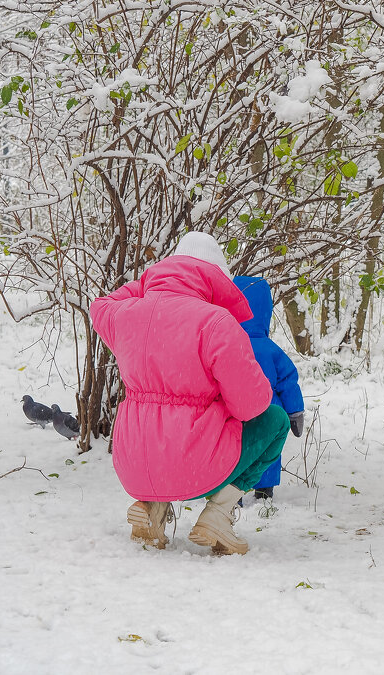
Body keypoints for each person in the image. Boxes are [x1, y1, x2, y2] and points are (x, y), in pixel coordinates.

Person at [90, 232, 289, 555]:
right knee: (274, 420)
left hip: (134, 466)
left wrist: (148, 284)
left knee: (161, 425)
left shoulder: (126, 315)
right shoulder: (216, 322)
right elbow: (252, 406)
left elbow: (100, 305)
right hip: (195, 469)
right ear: (215, 279)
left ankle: (151, 508)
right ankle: (218, 515)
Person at [232, 275, 305, 500]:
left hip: (233, 410)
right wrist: (295, 413)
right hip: (268, 409)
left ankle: (232, 489)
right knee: (266, 448)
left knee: (236, 449)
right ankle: (265, 489)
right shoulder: (271, 350)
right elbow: (288, 381)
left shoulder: (227, 344)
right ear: (266, 312)